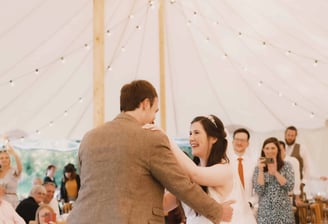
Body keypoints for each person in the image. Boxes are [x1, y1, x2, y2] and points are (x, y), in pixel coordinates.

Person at [67, 80, 233, 224]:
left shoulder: (89, 138)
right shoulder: (150, 138)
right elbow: (180, 185)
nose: (154, 119)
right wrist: (217, 211)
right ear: (145, 104)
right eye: (155, 110)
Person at [157, 115, 255, 224]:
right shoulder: (190, 174)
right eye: (190, 133)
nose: (191, 138)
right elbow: (164, 204)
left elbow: (196, 174)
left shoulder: (224, 170)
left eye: (196, 133)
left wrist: (166, 140)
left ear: (213, 138)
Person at [253, 137, 295, 224]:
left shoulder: (286, 165)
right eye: (267, 148)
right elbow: (259, 190)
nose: (270, 151)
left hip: (283, 211)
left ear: (278, 150)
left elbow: (290, 186)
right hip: (265, 213)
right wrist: (261, 170)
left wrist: (275, 172)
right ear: (263, 150)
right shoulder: (258, 167)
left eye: (273, 148)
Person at [228, 128, 258, 212]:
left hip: (248, 209)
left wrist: (250, 203)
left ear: (248, 143)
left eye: (243, 140)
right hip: (230, 209)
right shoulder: (225, 163)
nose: (239, 143)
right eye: (237, 139)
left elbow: (258, 190)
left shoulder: (254, 165)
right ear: (233, 141)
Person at [0, 141, 23, 208]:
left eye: (6, 158)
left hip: (12, 202)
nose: (4, 160)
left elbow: (20, 168)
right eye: (1, 158)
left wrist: (15, 154)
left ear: (9, 160)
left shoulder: (14, 170)